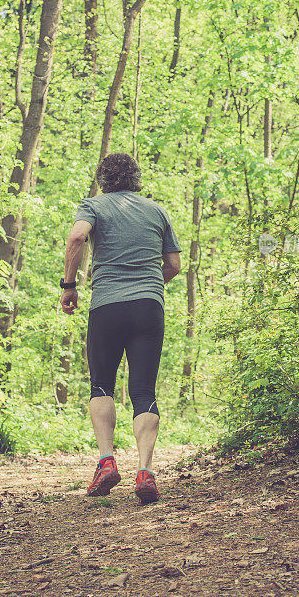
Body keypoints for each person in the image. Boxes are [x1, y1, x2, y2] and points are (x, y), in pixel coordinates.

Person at [60, 153, 181, 504]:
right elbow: (173, 264)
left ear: (103, 179)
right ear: (136, 178)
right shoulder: (156, 211)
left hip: (107, 306)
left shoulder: (94, 206)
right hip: (149, 307)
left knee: (101, 385)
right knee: (144, 390)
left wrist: (69, 286)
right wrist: (147, 285)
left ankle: (107, 462)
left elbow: (76, 239)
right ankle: (145, 472)